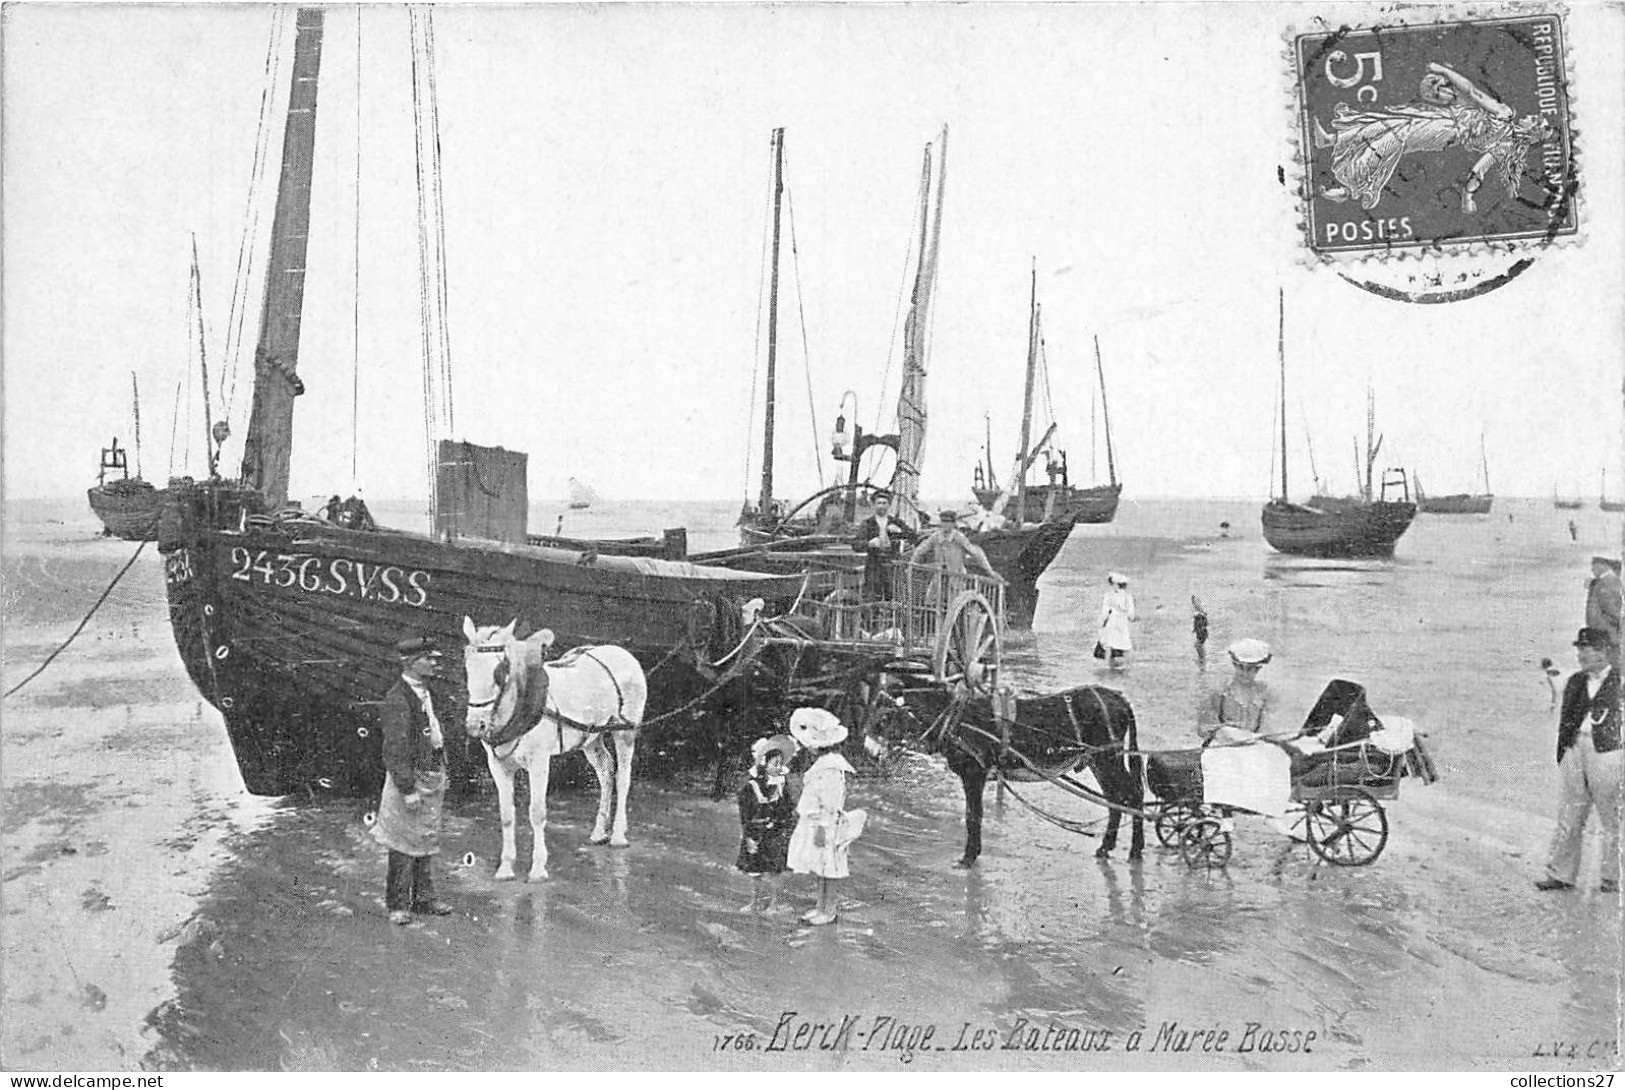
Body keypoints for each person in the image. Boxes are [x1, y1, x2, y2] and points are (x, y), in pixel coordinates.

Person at [1314, 62, 1553, 213]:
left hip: (1446, 132)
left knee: (1395, 137)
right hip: (1445, 118)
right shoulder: (1507, 125)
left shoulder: (1505, 123)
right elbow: (1469, 96)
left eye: (1534, 121)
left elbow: (1479, 168)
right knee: (1391, 123)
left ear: (1532, 132)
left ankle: (1350, 188)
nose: (1531, 117)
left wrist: (1467, 195)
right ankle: (1332, 139)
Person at [372, 635, 455, 925]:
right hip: (408, 780)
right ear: (410, 662)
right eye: (428, 658)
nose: (434, 663)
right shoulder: (397, 698)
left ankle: (424, 900)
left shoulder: (427, 692)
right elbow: (394, 748)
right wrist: (406, 788)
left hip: (429, 775)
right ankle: (397, 904)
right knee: (402, 844)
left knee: (424, 840)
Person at [1535, 628, 1622, 894]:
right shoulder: (1575, 681)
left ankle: (1611, 878)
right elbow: (1564, 718)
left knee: (1612, 815)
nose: (1581, 654)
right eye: (1580, 649)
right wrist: (1563, 752)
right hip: (1576, 748)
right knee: (1571, 812)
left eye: (1588, 649)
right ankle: (1562, 874)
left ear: (1604, 651)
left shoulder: (1620, 681)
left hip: (1608, 751)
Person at [785, 708, 865, 926]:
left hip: (827, 825)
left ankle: (829, 910)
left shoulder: (831, 768)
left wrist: (821, 827)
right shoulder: (823, 765)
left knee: (830, 868)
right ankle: (820, 905)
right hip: (817, 822)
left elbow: (831, 803)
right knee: (820, 867)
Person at [736, 734, 797, 913]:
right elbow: (744, 812)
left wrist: (783, 822)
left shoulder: (782, 785)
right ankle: (754, 902)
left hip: (775, 832)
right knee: (755, 868)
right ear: (764, 763)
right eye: (774, 763)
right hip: (755, 831)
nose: (778, 768)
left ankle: (774, 903)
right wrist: (748, 834)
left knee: (774, 869)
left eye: (780, 764)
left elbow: (788, 809)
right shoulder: (751, 786)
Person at [1196, 638, 1278, 745]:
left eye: (1250, 669)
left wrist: (1256, 737)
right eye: (1240, 667)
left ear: (1258, 669)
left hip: (1254, 746)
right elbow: (1204, 726)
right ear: (1234, 665)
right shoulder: (1220, 692)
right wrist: (1223, 733)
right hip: (1222, 746)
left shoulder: (1264, 694)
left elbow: (1269, 729)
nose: (1244, 673)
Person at [850, 490, 915, 603]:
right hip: (874, 566)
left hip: (893, 566)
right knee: (872, 599)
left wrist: (900, 532)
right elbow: (856, 544)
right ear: (874, 505)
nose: (881, 506)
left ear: (889, 505)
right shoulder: (867, 523)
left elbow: (913, 536)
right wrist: (869, 544)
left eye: (884, 503)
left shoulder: (896, 522)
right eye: (879, 503)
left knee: (895, 599)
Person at [1094, 572, 1136, 669]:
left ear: (1116, 584)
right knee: (1125, 643)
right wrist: (1130, 617)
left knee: (1109, 643)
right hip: (1122, 621)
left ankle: (1107, 664)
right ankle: (1127, 665)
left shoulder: (1108, 595)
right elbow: (1131, 613)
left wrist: (1102, 622)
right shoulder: (1127, 596)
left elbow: (1105, 612)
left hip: (1112, 620)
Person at [1584, 555, 1622, 656]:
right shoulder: (1603, 581)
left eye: (1595, 566)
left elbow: (1612, 610)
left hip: (1606, 634)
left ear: (1604, 565)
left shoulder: (1607, 582)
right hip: (1602, 633)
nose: (1592, 570)